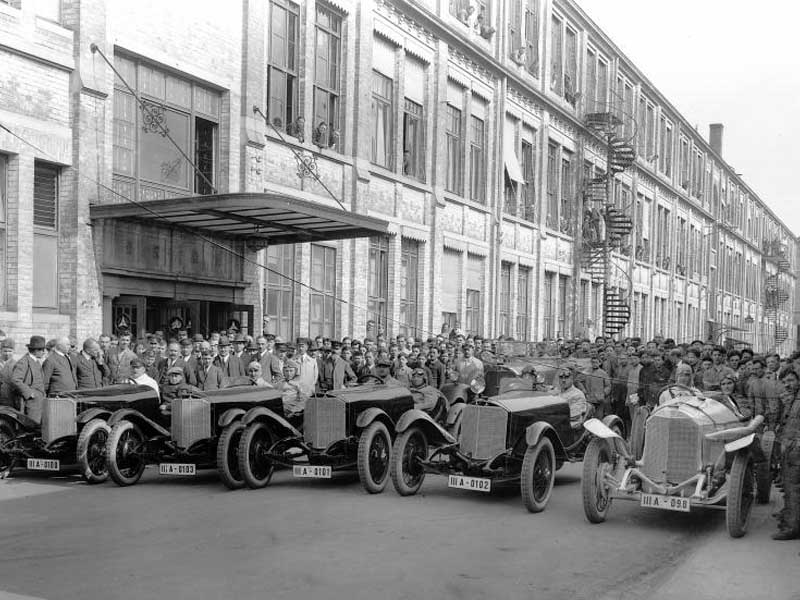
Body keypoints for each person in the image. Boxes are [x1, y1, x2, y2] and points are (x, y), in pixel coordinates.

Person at [772, 368, 800, 540]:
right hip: (790, 450)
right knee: (791, 489)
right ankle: (790, 521)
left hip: (796, 452)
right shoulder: (792, 400)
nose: (788, 384)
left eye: (791, 380)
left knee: (793, 490)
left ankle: (791, 528)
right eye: (785, 382)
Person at [10, 336, 47, 422]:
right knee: (31, 427)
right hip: (30, 403)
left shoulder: (36, 361)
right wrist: (29, 393)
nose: (43, 352)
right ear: (36, 350)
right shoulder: (24, 362)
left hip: (39, 401)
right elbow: (15, 380)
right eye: (42, 350)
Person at [0, 339, 18, 407]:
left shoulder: (16, 364)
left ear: (14, 351)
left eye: (10, 351)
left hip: (10, 399)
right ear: (1, 350)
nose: (7, 353)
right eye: (5, 351)